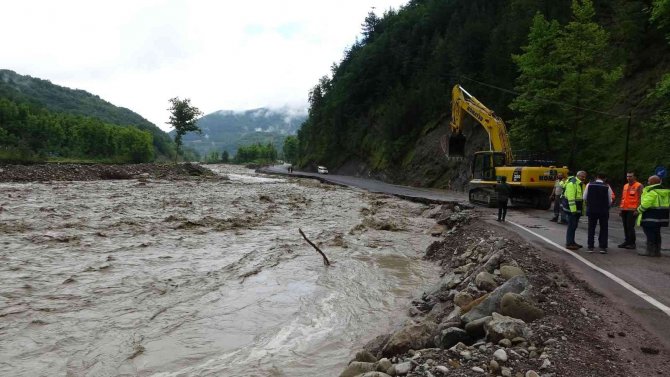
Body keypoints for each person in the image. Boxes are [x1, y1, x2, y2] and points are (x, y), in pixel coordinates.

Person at [636, 175, 669, 257]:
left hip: (650, 216)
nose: (647, 182)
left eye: (648, 181)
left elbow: (646, 203)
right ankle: (657, 251)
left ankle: (650, 251)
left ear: (653, 182)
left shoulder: (652, 191)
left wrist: (638, 210)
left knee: (649, 233)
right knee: (657, 233)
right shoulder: (664, 191)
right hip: (661, 216)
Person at [583, 173, 614, 253]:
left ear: (596, 177)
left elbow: (584, 197)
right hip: (603, 210)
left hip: (592, 209)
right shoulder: (607, 186)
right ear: (605, 178)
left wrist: (589, 203)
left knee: (591, 228)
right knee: (603, 228)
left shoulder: (589, 185)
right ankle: (602, 247)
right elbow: (610, 200)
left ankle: (590, 246)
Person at [562, 171, 587, 250]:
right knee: (571, 226)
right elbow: (571, 198)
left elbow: (582, 198)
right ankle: (569, 243)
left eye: (584, 177)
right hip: (571, 210)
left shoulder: (582, 184)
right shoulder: (572, 184)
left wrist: (582, 210)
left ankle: (572, 242)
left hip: (577, 209)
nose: (583, 178)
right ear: (577, 176)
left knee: (574, 226)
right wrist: (573, 211)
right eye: (582, 176)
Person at [618, 172, 643, 249]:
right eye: (627, 176)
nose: (628, 178)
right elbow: (623, 198)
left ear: (635, 177)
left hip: (632, 210)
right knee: (625, 226)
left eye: (630, 176)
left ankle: (632, 243)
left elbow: (640, 198)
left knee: (630, 227)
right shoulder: (625, 185)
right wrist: (620, 209)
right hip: (624, 209)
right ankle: (627, 241)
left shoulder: (639, 185)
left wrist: (637, 209)